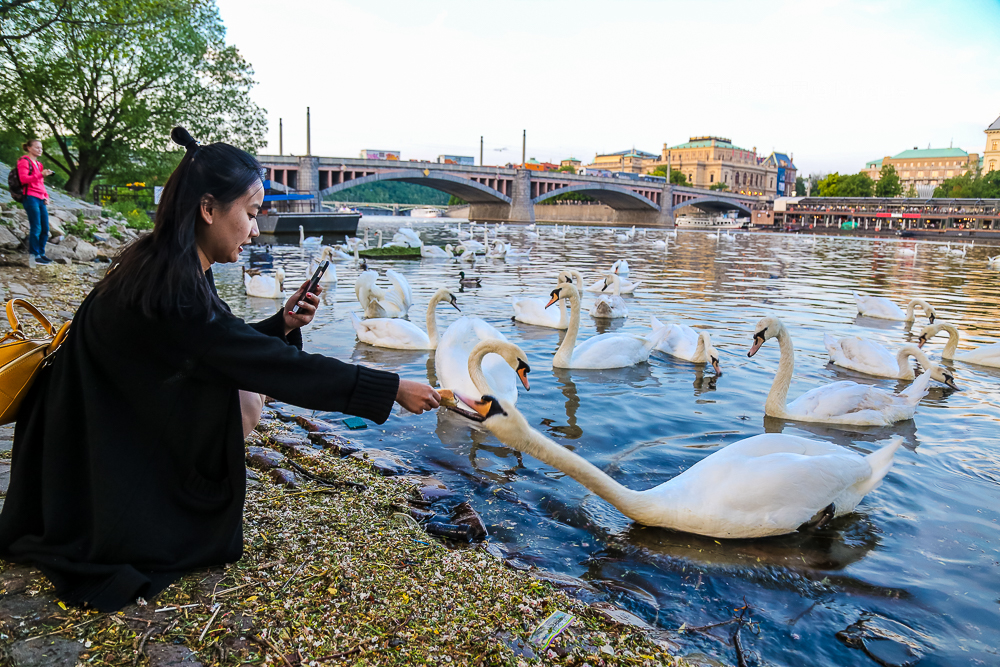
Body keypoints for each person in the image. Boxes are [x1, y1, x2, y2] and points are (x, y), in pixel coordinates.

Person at [0, 127, 440, 612]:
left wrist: (282, 322)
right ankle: (162, 509)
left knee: (245, 387)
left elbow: (219, 345)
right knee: (248, 397)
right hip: (95, 457)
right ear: (208, 209)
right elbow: (248, 358)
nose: (255, 230)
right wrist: (392, 386)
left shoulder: (163, 260)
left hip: (90, 431)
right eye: (250, 214)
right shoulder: (175, 289)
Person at [17, 139, 55, 264]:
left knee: (45, 228)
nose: (40, 150)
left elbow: (40, 183)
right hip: (30, 197)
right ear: (29, 148)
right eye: (37, 147)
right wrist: (41, 174)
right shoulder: (24, 161)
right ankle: (34, 255)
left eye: (41, 148)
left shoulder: (39, 164)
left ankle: (41, 253)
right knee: (36, 227)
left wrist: (46, 196)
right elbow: (24, 179)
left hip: (40, 198)